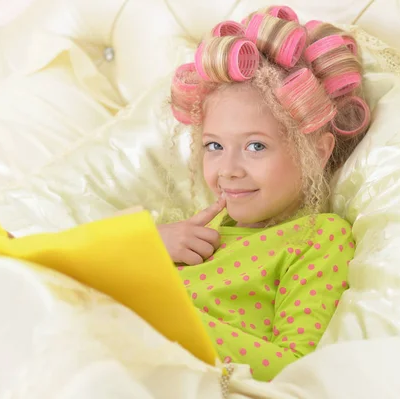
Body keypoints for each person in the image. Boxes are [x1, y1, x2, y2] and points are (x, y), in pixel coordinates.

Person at [157, 5, 371, 382]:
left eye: (256, 147)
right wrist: (150, 249)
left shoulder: (318, 239)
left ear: (317, 153)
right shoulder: (198, 230)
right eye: (214, 146)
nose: (228, 170)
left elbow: (293, 368)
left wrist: (160, 312)